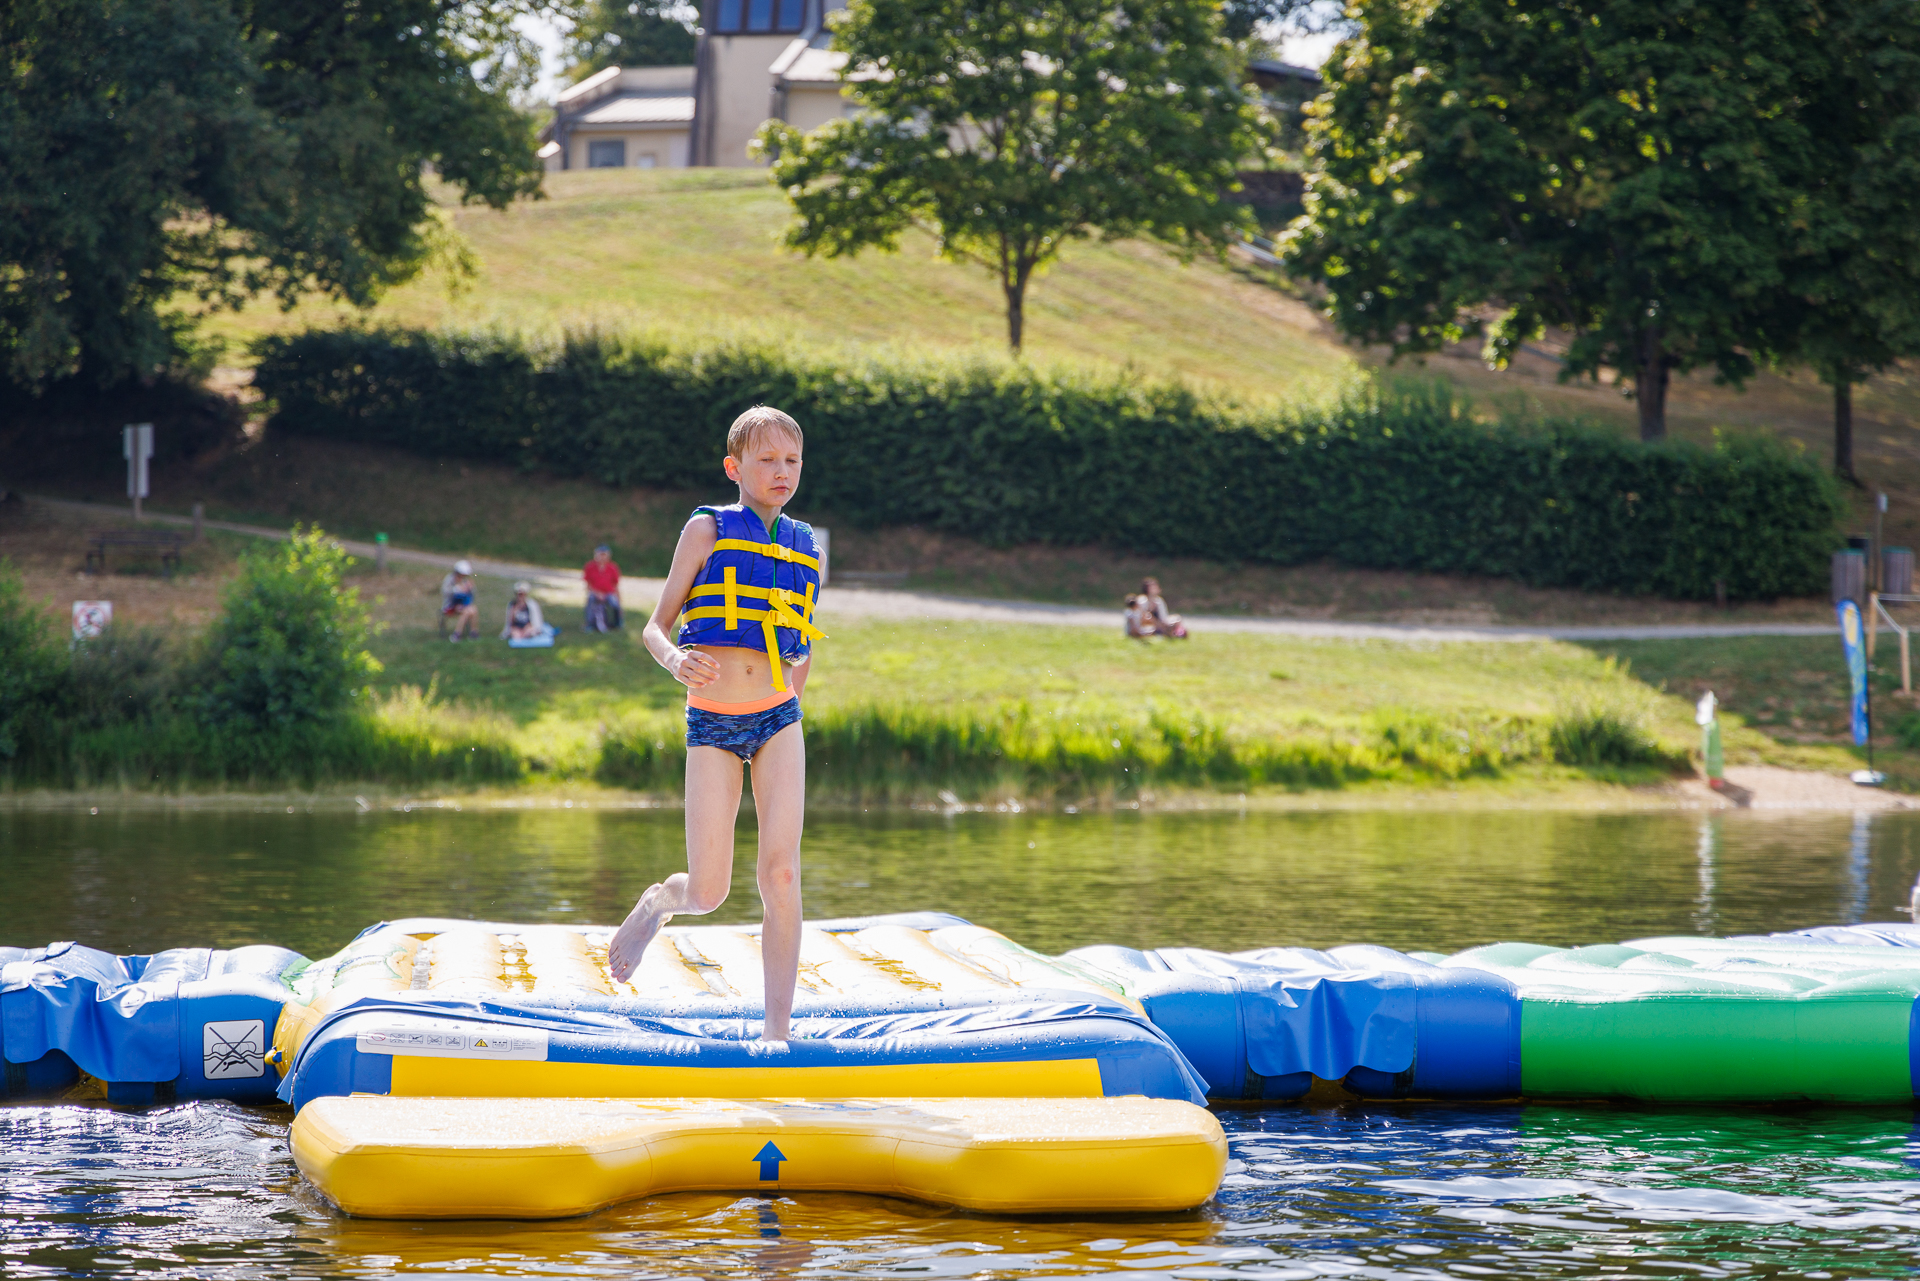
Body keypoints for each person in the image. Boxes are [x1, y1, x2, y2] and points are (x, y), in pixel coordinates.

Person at [607, 406, 825, 1042]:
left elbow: (802, 638)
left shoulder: (807, 543)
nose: (781, 471)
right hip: (713, 724)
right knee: (707, 892)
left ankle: (776, 1033)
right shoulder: (706, 529)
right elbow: (655, 624)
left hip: (779, 719)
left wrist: (794, 695)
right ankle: (657, 903)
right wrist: (676, 660)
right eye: (767, 460)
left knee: (781, 874)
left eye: (792, 461)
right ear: (735, 467)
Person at [501, 581, 556, 646]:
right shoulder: (512, 605)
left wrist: (528, 629)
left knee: (530, 632)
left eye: (522, 594)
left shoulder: (531, 604)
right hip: (517, 627)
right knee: (516, 636)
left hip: (528, 626)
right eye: (519, 594)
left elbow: (535, 620)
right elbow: (510, 622)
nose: (520, 596)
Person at [583, 544, 623, 632]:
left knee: (614, 603)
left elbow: (615, 585)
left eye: (604, 555)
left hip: (609, 593)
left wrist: (618, 599)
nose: (602, 557)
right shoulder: (590, 567)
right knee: (591, 599)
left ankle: (617, 623)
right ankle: (589, 624)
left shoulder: (613, 568)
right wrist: (597, 593)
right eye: (600, 554)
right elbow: (588, 585)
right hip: (595, 592)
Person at [441, 560, 479, 641]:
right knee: (466, 611)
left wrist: (471, 588)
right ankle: (457, 634)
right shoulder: (450, 579)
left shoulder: (465, 580)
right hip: (450, 605)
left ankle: (473, 632)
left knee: (473, 609)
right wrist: (457, 589)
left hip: (463, 604)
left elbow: (472, 595)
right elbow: (445, 592)